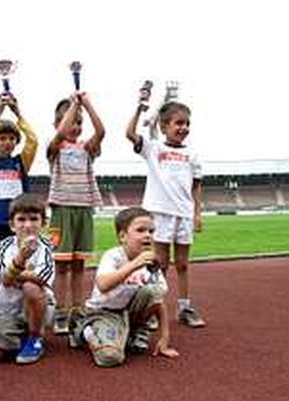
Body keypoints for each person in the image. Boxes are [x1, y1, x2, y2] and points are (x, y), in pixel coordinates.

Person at [125, 88, 205, 328]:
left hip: (184, 214)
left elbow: (196, 186)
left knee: (182, 264)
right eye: (178, 123)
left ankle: (184, 307)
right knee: (159, 263)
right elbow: (130, 133)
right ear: (163, 126)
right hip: (160, 213)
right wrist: (140, 108)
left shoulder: (192, 154)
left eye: (187, 123)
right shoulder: (154, 149)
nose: (184, 128)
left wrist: (197, 213)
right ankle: (151, 307)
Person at [68, 207, 179, 367]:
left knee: (153, 290)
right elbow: (103, 285)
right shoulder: (113, 256)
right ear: (122, 236)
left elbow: (158, 300)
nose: (148, 235)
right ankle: (82, 328)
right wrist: (135, 264)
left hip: (130, 314)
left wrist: (164, 338)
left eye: (151, 231)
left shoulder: (151, 263)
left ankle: (135, 331)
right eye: (140, 230)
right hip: (105, 313)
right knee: (110, 358)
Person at [0, 193, 55, 364]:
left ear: (43, 223)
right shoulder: (4, 246)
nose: (28, 225)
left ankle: (35, 337)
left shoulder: (46, 246)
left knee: (31, 287)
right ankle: (17, 340)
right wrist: (21, 259)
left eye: (34, 219)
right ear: (12, 225)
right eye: (21, 220)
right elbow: (4, 280)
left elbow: (42, 278)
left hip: (38, 307)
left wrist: (15, 272)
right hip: (8, 310)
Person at [47, 91, 104, 334]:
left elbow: (101, 132)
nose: (76, 127)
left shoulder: (87, 148)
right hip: (62, 209)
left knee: (79, 265)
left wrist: (86, 104)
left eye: (79, 123)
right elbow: (61, 133)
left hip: (84, 209)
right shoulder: (55, 147)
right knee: (61, 266)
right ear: (57, 123)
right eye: (71, 122)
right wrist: (73, 105)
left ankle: (77, 310)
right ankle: (60, 312)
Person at [0, 93, 38, 315]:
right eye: (2, 138)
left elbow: (33, 141)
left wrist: (17, 113)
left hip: (21, 224)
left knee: (23, 264)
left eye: (12, 138)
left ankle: (20, 307)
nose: (7, 142)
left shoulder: (21, 162)